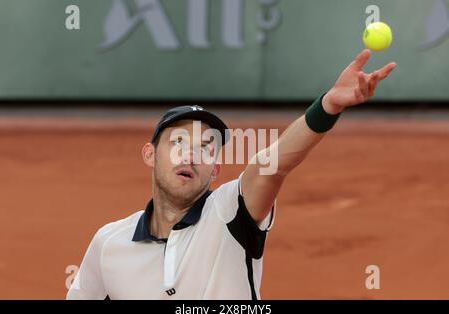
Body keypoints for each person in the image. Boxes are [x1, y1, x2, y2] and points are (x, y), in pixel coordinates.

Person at [67, 49, 396, 299]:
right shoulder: (109, 243)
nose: (192, 154)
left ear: (215, 170)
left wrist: (327, 106)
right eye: (178, 141)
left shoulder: (229, 212)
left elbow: (276, 163)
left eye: (207, 147)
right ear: (150, 155)